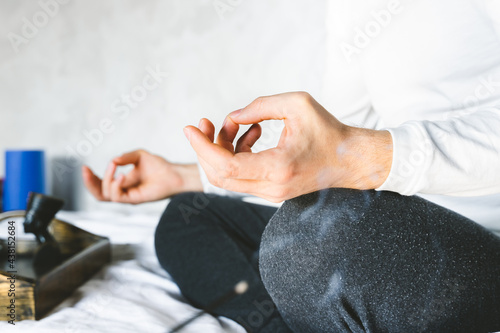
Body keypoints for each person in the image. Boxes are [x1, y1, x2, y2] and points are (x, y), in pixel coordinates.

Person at [83, 0, 500, 332]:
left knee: (302, 242)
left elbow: (357, 153)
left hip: (487, 244)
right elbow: (344, 141)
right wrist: (186, 177)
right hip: (407, 230)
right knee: (187, 221)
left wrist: (359, 156)